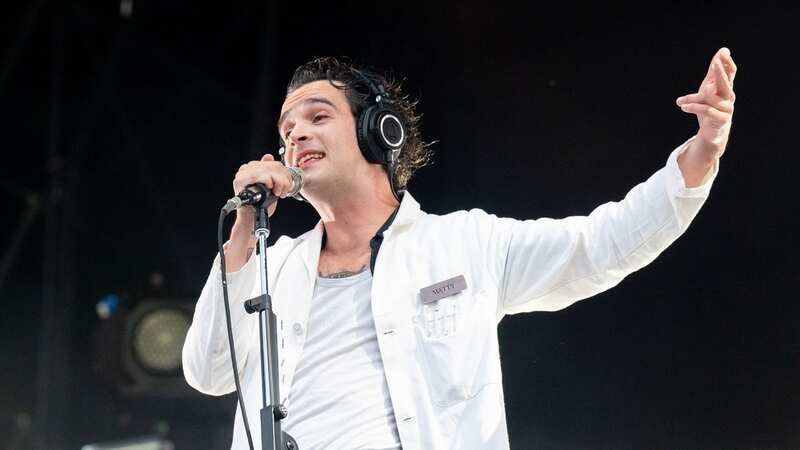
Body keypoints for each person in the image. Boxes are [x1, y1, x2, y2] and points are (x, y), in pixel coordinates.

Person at [182, 49, 737, 450]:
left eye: (318, 117)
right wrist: (243, 232)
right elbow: (207, 371)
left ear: (381, 132)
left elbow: (603, 244)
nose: (295, 135)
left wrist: (703, 153)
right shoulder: (268, 265)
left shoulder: (464, 244)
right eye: (287, 128)